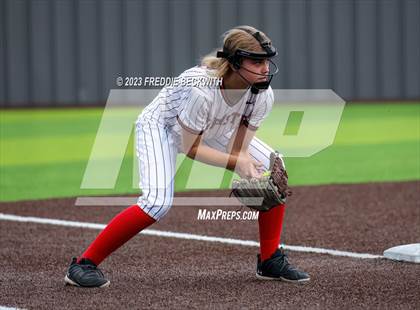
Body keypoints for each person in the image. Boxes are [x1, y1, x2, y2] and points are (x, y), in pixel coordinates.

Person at [65, 25, 310, 288]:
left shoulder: (261, 94)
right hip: (163, 126)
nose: (265, 68)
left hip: (215, 125)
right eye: (257, 61)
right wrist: (236, 163)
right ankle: (83, 265)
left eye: (267, 61)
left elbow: (238, 149)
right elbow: (190, 147)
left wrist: (244, 165)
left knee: (275, 168)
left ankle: (270, 259)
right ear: (235, 62)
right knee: (156, 203)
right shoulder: (201, 89)